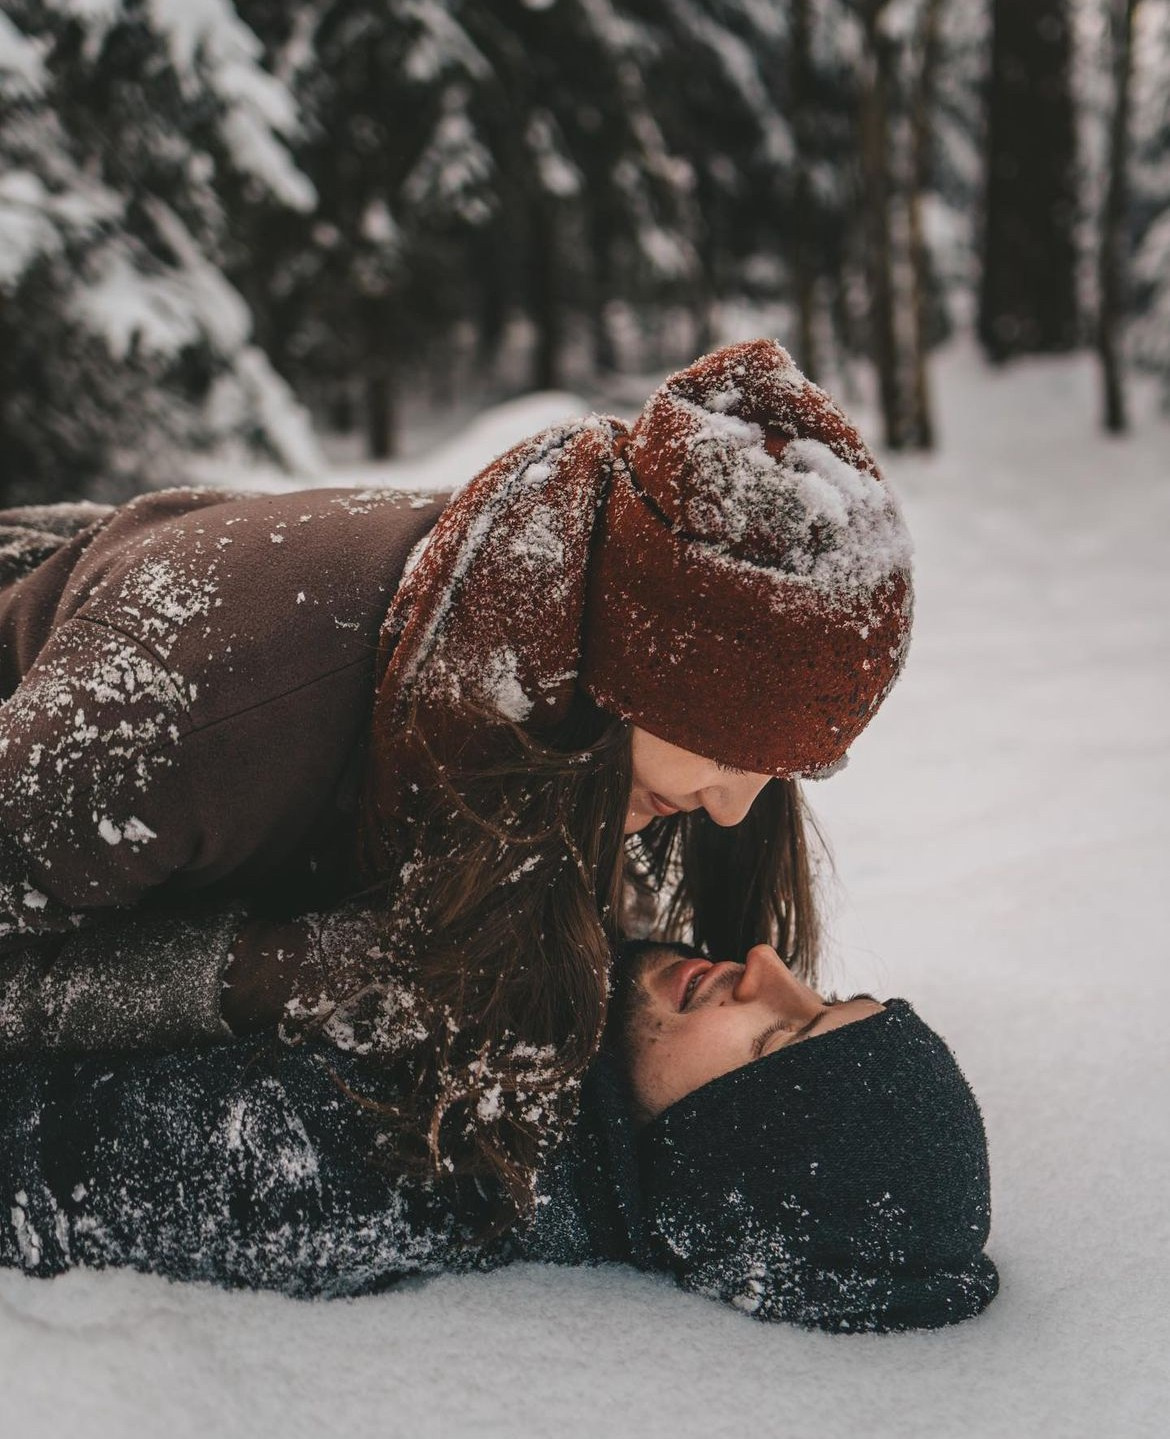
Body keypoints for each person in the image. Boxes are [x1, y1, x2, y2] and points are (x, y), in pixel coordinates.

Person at [0, 339, 914, 1220]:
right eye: (729, 750)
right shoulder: (181, 711)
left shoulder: (537, 656)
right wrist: (292, 970)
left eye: (791, 769)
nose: (733, 808)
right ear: (640, 669)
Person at [0, 937, 997, 1334]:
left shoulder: (387, 1160)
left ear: (724, 1151)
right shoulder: (563, 1033)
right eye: (820, 993)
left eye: (779, 1035)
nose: (769, 963)